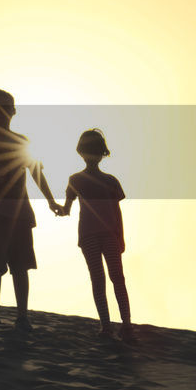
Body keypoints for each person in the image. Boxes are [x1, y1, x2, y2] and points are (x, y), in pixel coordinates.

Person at [0, 89, 62, 330]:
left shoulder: (21, 141)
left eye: (6, 107)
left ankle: (21, 316)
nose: (3, 112)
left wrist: (51, 201)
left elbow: (36, 174)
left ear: (13, 112)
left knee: (19, 266)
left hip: (17, 213)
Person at [59, 128, 134, 341]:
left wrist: (120, 237)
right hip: (92, 235)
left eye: (95, 151)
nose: (93, 155)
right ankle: (108, 325)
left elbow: (116, 212)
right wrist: (57, 207)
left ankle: (124, 324)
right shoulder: (77, 180)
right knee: (102, 278)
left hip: (105, 234)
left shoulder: (110, 181)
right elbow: (67, 208)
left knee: (113, 277)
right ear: (83, 153)